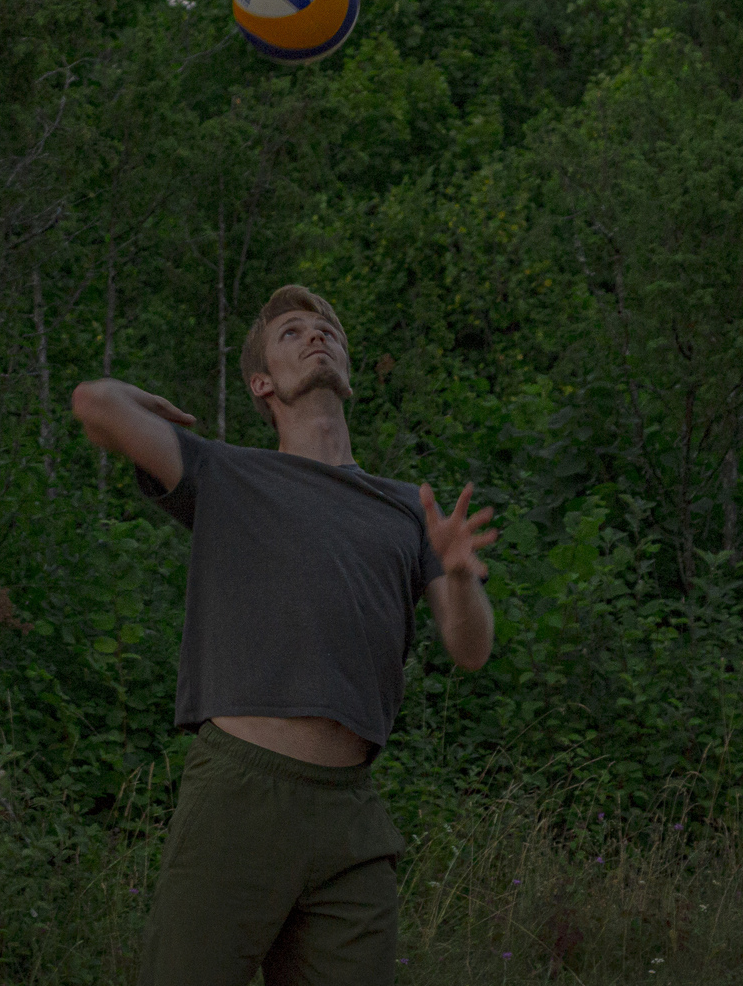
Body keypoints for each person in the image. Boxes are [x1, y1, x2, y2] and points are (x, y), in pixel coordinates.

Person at [70, 284, 497, 986]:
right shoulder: (227, 473)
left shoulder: (407, 508)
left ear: (347, 371)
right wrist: (159, 408)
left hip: (351, 816)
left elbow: (470, 649)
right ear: (261, 383)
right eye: (291, 333)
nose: (316, 335)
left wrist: (458, 573)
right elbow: (95, 403)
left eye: (327, 329)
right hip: (241, 793)